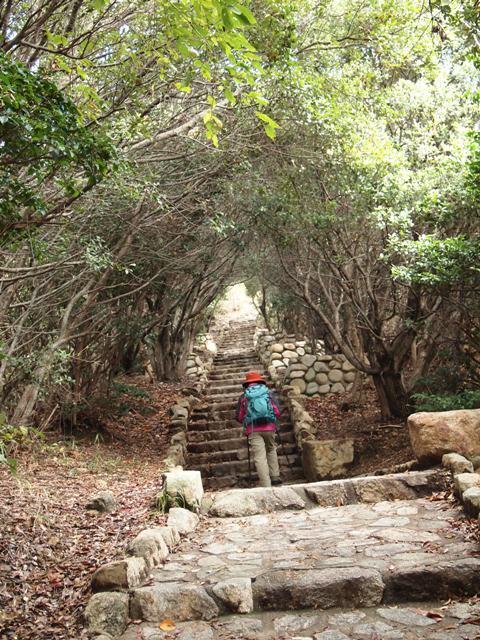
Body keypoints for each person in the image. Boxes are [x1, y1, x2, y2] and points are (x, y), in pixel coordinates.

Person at [235, 371, 282, 487]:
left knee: (260, 457)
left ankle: (266, 485)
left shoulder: (244, 396)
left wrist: (247, 420)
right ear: (260, 381)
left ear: (247, 383)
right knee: (271, 450)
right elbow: (277, 412)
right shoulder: (268, 393)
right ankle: (275, 477)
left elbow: (239, 417)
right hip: (269, 427)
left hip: (253, 429)